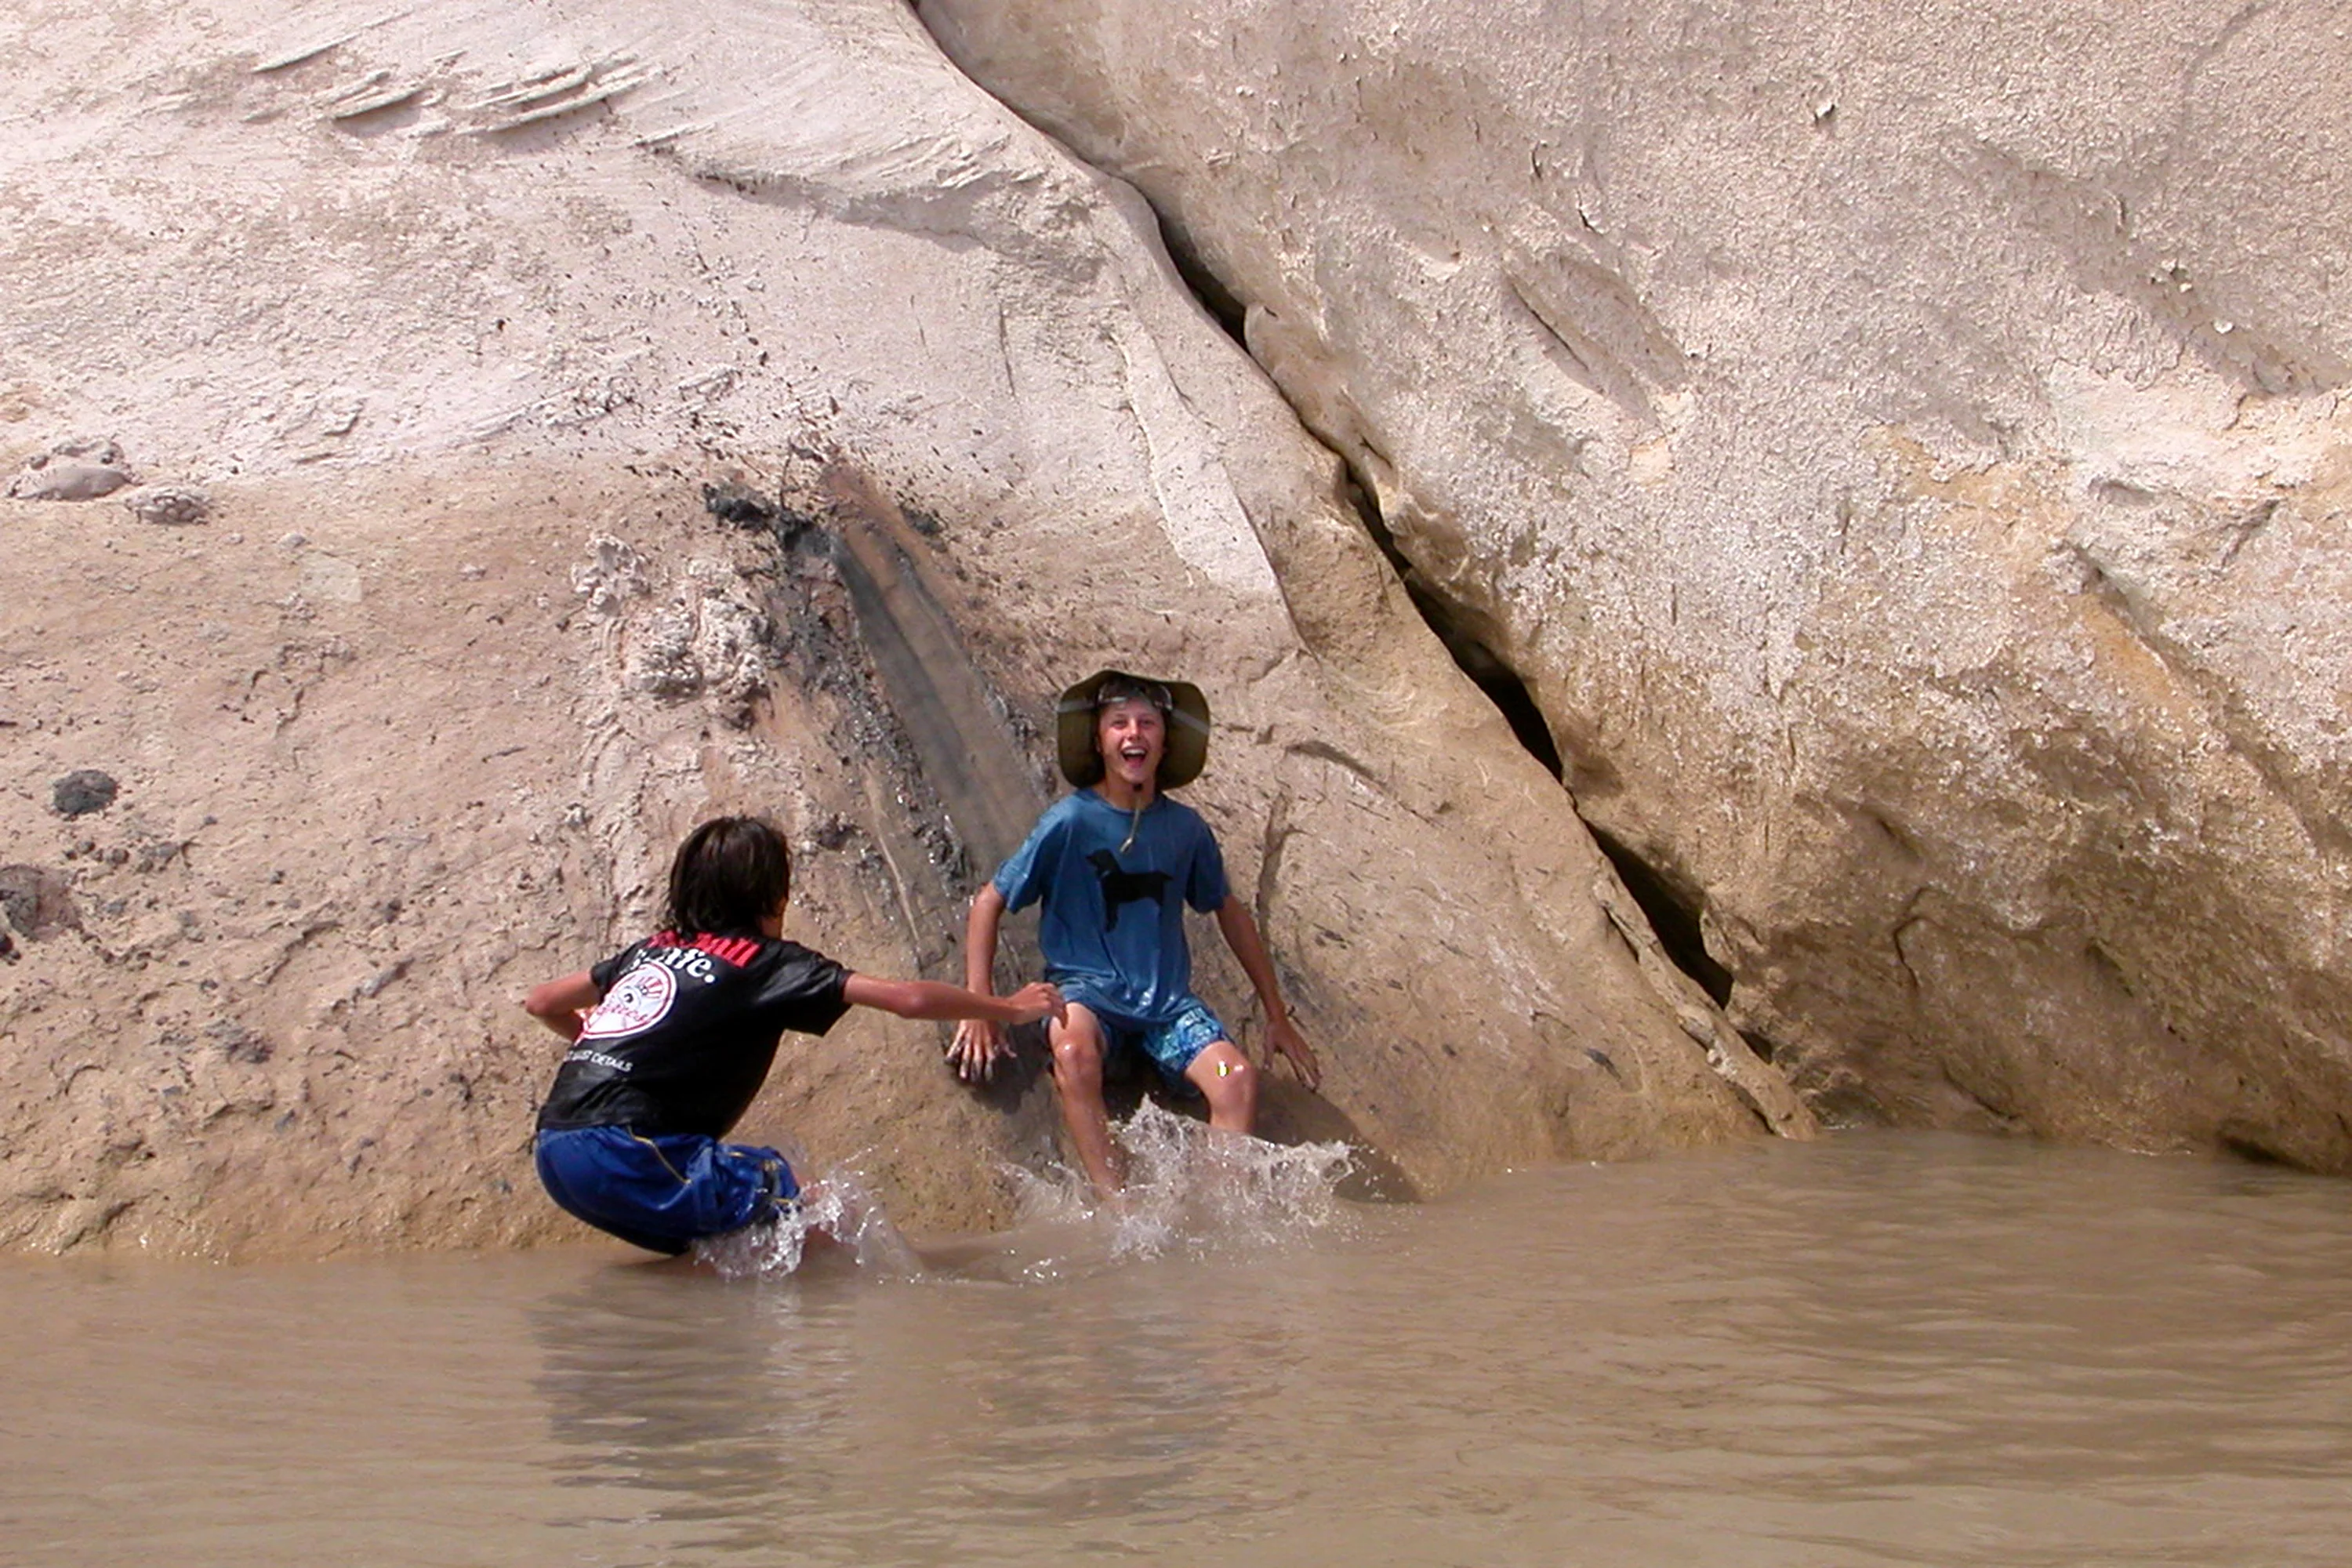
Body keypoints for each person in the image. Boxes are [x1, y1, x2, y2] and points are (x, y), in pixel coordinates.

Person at [525, 815, 1062, 1255]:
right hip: (628, 1152)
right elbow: (907, 999)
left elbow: (542, 1002)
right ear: (773, 896)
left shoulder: (651, 949)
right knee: (832, 1213)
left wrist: (609, 1053)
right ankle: (903, 1309)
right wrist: (1007, 1007)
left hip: (556, 1150)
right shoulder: (764, 963)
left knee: (726, 1248)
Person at [948, 670, 1319, 1197]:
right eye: (1118, 723)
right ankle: (1115, 1204)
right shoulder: (1069, 821)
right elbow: (989, 901)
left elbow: (1227, 910)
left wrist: (1276, 1015)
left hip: (1167, 1012)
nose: (1133, 733)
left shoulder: (1186, 829)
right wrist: (978, 1006)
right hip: (1088, 1001)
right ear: (1099, 742)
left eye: (1147, 723)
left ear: (1164, 743)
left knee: (1234, 1076)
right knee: (1073, 1052)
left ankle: (1219, 1213)